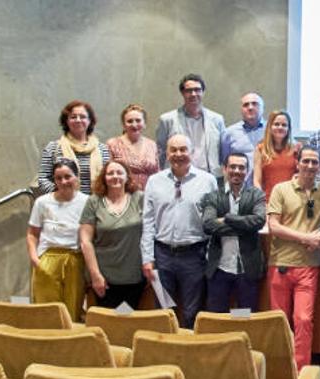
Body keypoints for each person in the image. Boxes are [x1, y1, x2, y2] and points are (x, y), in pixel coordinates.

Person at [141, 134, 218, 328]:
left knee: (192, 312)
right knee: (164, 311)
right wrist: (147, 258)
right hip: (162, 255)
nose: (178, 154)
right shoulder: (154, 181)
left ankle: (188, 354)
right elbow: (148, 221)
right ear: (166, 154)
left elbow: (213, 223)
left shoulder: (207, 181)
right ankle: (165, 352)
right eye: (173, 150)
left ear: (191, 152)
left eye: (183, 149)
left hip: (194, 256)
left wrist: (210, 256)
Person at [268, 144, 320, 371]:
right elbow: (273, 226)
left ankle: (299, 371)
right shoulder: (281, 189)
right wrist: (306, 238)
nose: (310, 166)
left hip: (309, 266)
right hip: (281, 264)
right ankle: (279, 370)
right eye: (306, 161)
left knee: (303, 320)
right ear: (297, 163)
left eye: (315, 162)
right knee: (279, 321)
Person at [201, 153, 266, 312]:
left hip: (247, 269)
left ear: (247, 171)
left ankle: (241, 338)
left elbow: (258, 221)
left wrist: (227, 218)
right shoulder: (213, 196)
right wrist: (244, 227)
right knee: (218, 317)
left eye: (241, 167)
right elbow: (208, 225)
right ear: (225, 169)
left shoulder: (256, 195)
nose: (237, 171)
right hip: (219, 269)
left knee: (243, 317)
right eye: (232, 167)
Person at [27, 158, 88, 321]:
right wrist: (35, 258)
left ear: (76, 177)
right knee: (46, 310)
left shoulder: (87, 202)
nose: (63, 181)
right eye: (58, 178)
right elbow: (32, 233)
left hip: (75, 260)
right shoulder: (42, 202)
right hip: (47, 259)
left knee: (71, 311)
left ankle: (69, 345)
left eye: (68, 176)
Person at [79, 161, 146, 309]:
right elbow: (85, 241)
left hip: (133, 277)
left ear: (127, 177)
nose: (115, 176)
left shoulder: (139, 198)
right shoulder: (93, 201)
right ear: (104, 177)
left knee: (125, 320)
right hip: (104, 279)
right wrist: (95, 275)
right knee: (107, 322)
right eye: (110, 173)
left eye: (119, 172)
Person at [155, 73, 226, 177]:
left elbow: (222, 150)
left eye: (197, 90)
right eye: (189, 90)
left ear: (203, 92)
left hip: (210, 177)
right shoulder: (167, 120)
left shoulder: (217, 119)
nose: (193, 94)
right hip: (179, 176)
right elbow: (160, 152)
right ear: (182, 93)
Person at [38, 100, 110, 195]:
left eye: (83, 117)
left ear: (90, 121)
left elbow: (108, 179)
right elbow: (43, 179)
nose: (78, 120)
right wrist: (63, 195)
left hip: (96, 205)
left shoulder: (103, 149)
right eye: (73, 117)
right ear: (66, 121)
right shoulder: (53, 148)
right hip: (63, 205)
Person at [106, 103, 160, 189]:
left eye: (138, 120)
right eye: (130, 121)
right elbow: (108, 174)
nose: (134, 125)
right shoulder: (112, 144)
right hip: (124, 195)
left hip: (150, 194)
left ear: (144, 123)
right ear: (123, 125)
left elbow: (158, 174)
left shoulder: (152, 145)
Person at [220, 92, 266, 187]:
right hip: (239, 189)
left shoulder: (271, 131)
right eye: (246, 105)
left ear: (262, 108)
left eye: (254, 104)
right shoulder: (229, 133)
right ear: (241, 109)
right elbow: (225, 163)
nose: (250, 107)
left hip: (265, 188)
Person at [253, 110, 298, 201]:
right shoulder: (260, 149)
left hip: (291, 201)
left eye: (284, 125)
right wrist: (262, 201)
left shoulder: (296, 149)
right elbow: (256, 181)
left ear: (289, 128)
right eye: (276, 124)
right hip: (268, 200)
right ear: (270, 127)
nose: (280, 127)